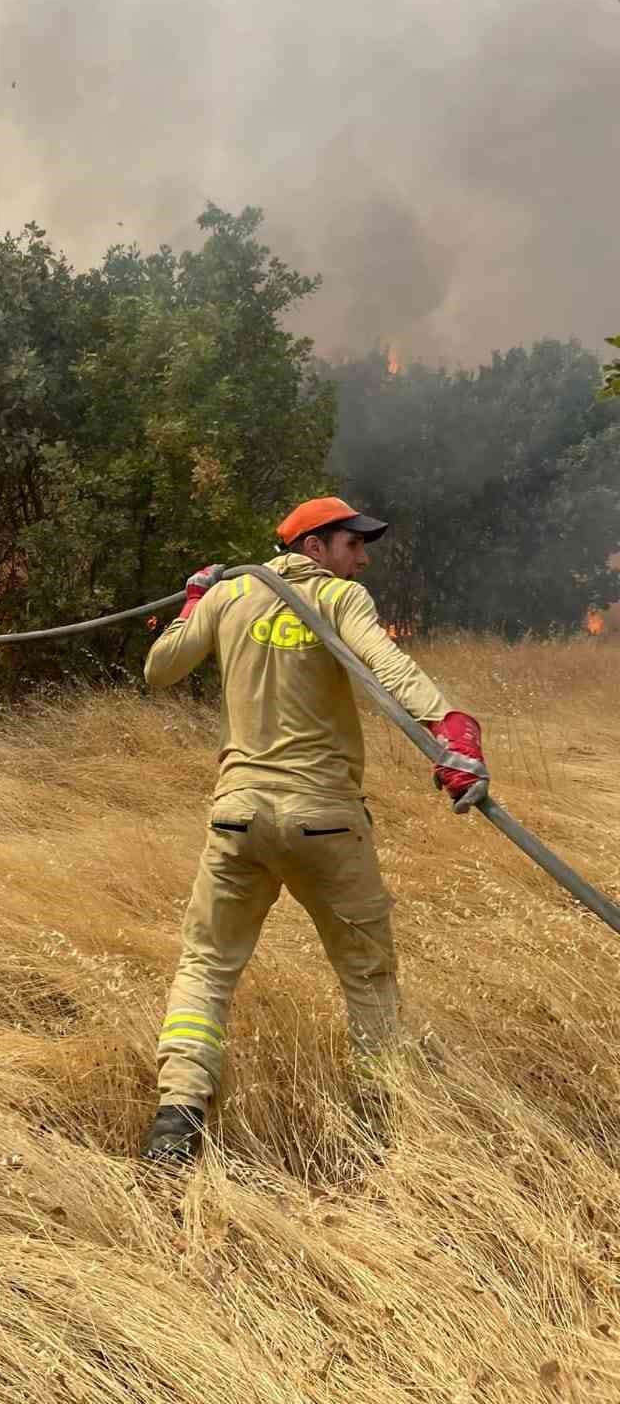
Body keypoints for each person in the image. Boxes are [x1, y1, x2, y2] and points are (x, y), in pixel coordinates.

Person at [139, 496, 486, 1163]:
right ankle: (383, 1124)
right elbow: (387, 665)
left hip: (238, 817)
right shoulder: (340, 600)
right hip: (326, 820)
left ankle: (177, 1118)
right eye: (351, 544)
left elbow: (161, 669)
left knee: (207, 966)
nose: (363, 557)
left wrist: (193, 603)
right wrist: (450, 726)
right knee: (367, 975)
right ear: (312, 548)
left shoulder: (230, 595)